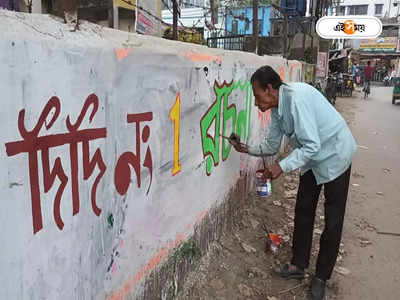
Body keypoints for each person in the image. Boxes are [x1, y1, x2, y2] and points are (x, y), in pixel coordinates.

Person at [230, 66, 357, 300]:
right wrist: (246, 148)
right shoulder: (277, 108)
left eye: (258, 96)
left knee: (332, 221)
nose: (257, 103)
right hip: (312, 158)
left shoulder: (296, 100)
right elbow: (271, 145)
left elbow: (312, 145)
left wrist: (281, 166)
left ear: (270, 89)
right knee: (303, 209)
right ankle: (298, 265)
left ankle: (321, 277)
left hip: (335, 154)